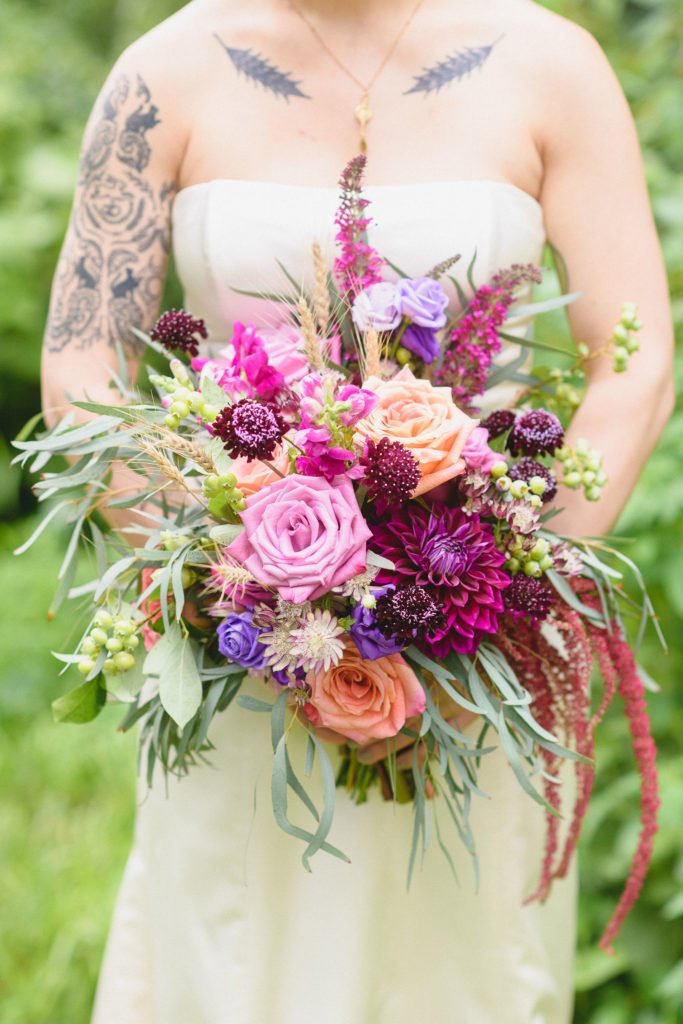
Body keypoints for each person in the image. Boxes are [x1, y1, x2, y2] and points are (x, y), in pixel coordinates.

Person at [41, 0, 674, 1021]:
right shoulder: (160, 74)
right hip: (242, 646)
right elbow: (83, 364)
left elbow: (631, 367)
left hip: (478, 654)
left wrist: (504, 586)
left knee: (463, 968)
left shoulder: (553, 65)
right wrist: (232, 586)